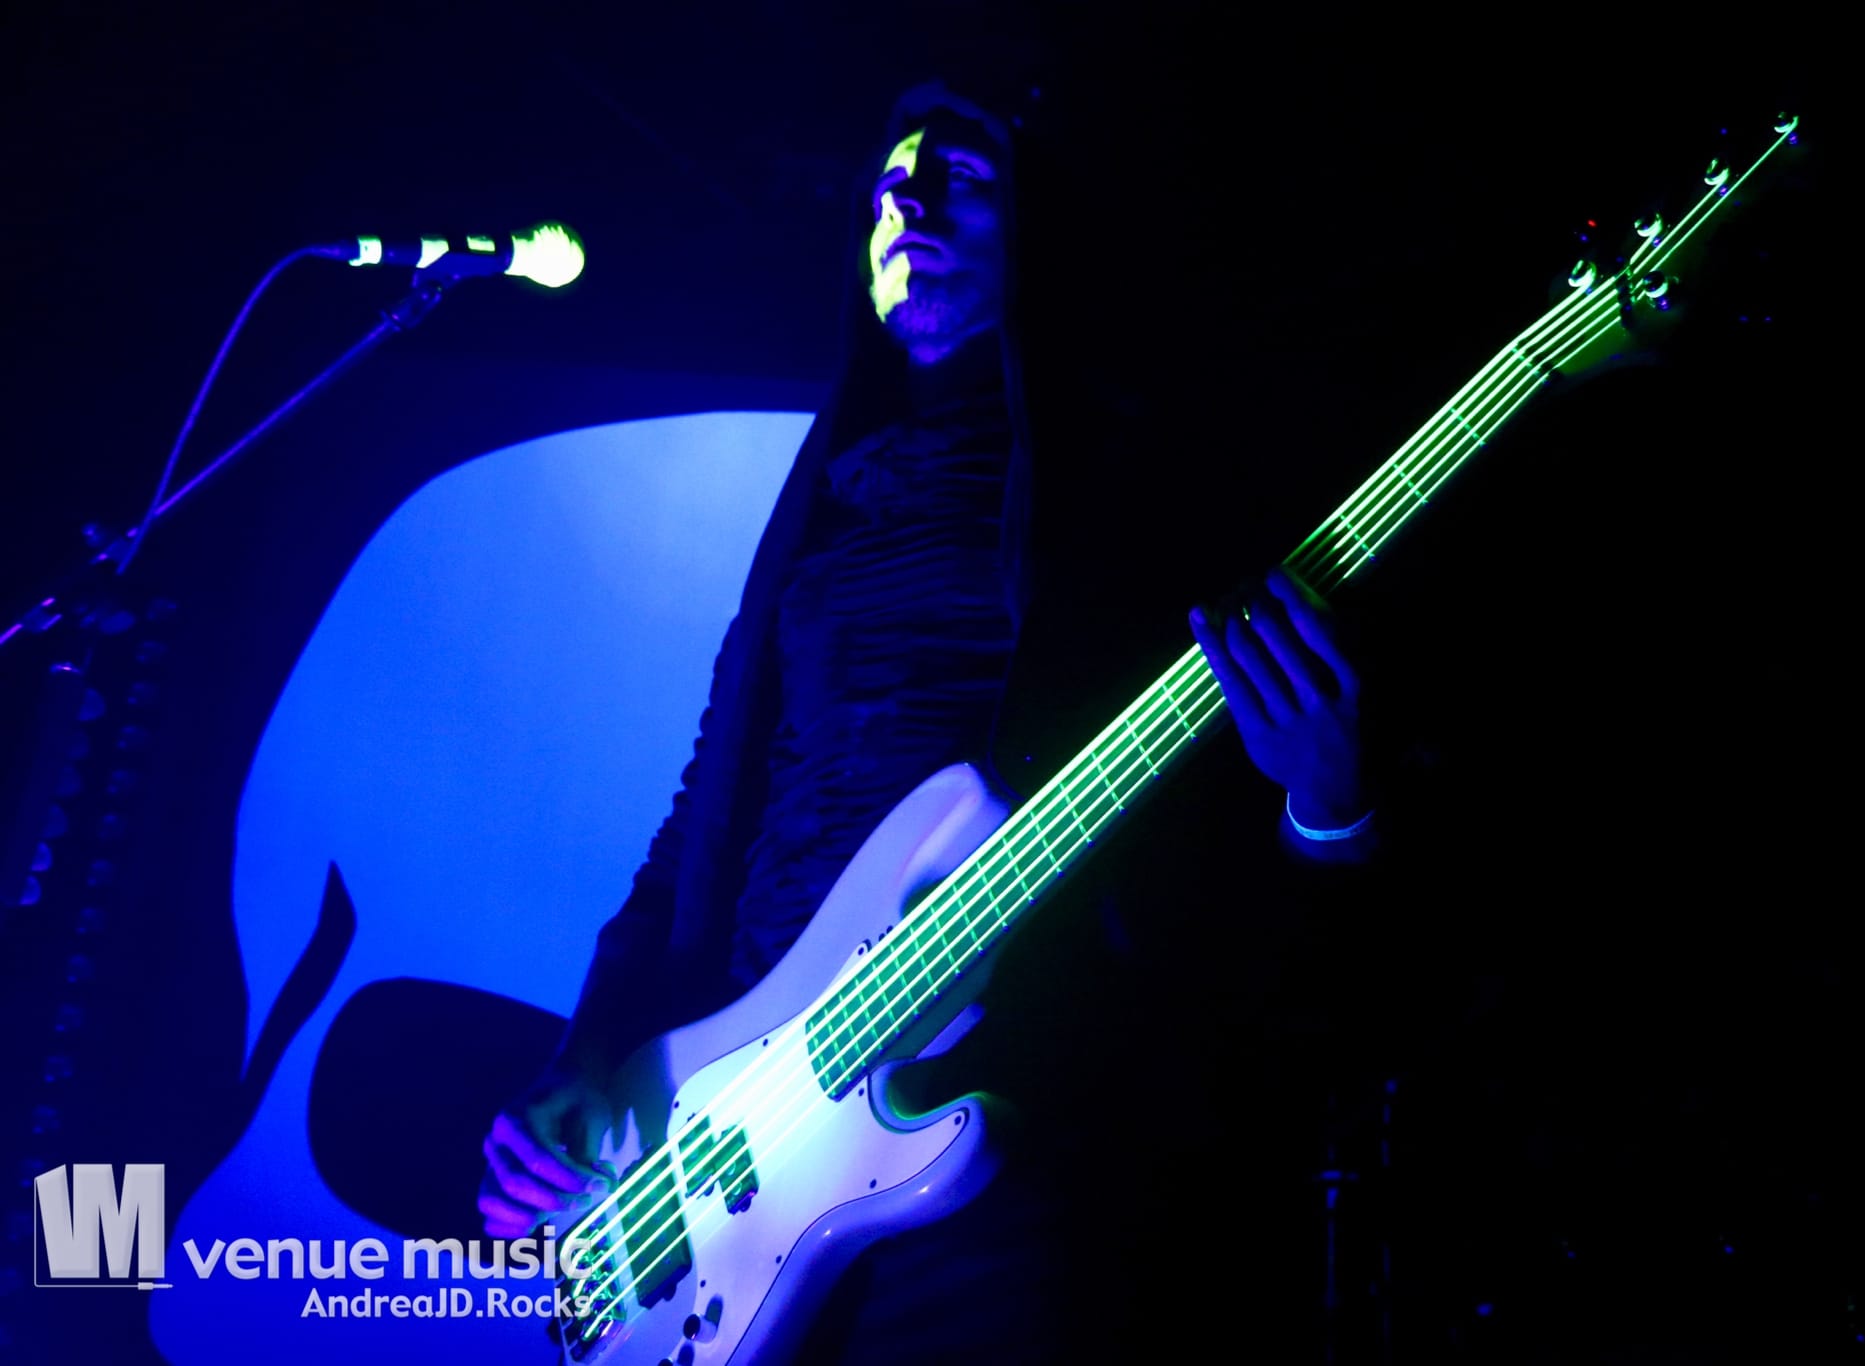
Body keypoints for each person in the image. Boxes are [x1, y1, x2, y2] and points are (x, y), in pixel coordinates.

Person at [476, 79, 1376, 1361]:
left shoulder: (1138, 481)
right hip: (737, 1120)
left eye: (959, 176)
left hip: (1012, 1109)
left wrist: (1327, 805)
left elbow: (1218, 863)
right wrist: (587, 1053)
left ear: (1039, 228)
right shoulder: (819, 504)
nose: (909, 200)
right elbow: (698, 826)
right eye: (890, 183)